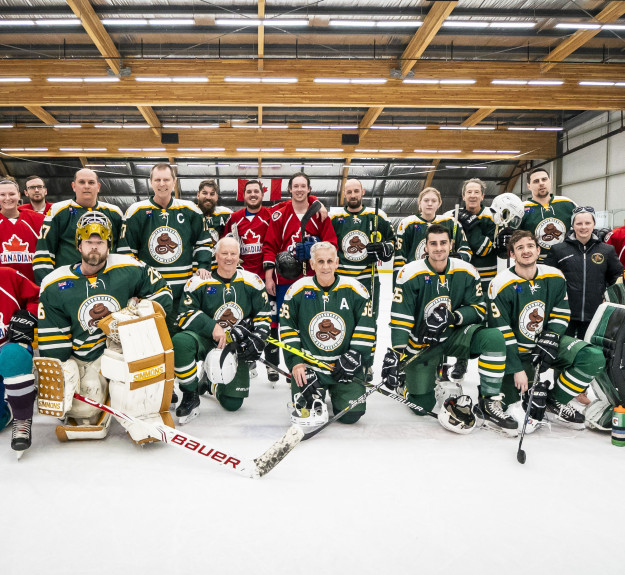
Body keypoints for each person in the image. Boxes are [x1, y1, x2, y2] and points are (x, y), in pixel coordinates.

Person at [37, 211, 174, 442]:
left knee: (134, 386)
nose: (94, 247)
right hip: (85, 357)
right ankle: (99, 395)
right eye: (89, 242)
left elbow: (164, 294)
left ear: (108, 245)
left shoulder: (129, 267)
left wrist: (131, 315)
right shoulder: (54, 283)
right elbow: (54, 341)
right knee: (85, 411)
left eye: (100, 242)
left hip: (122, 349)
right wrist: (64, 366)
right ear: (78, 245)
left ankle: (144, 409)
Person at [385, 224, 515, 435]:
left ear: (451, 245)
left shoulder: (466, 270)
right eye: (433, 243)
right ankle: (405, 383)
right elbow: (401, 317)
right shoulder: (409, 272)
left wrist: (453, 317)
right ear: (425, 246)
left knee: (493, 338)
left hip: (455, 335)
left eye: (443, 243)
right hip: (422, 342)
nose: (438, 248)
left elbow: (480, 309)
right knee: (422, 407)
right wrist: (398, 353)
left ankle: (489, 401)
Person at [488, 230, 605, 431]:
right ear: (512, 254)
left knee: (593, 357)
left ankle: (555, 399)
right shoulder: (499, 284)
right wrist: (516, 369)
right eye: (520, 248)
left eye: (530, 246)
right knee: (520, 411)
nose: (526, 251)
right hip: (516, 353)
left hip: (545, 344)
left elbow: (561, 311)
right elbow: (501, 331)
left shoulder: (554, 276)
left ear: (538, 249)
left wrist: (551, 337)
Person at [173, 237, 272, 423]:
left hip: (234, 345)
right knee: (180, 342)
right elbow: (184, 314)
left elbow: (264, 315)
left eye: (233, 254)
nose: (229, 258)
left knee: (232, 403)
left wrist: (258, 338)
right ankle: (190, 393)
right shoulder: (198, 282)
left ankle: (210, 384)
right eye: (224, 254)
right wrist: (212, 327)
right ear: (216, 256)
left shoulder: (253, 281)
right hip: (205, 340)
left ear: (239, 256)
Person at [280, 241, 375, 425]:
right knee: (307, 413)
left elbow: (367, 326)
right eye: (320, 261)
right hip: (310, 367)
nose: (326, 266)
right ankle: (319, 391)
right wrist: (297, 362)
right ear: (312, 264)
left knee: (351, 416)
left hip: (344, 367)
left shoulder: (356, 290)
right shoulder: (297, 290)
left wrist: (354, 355)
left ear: (337, 262)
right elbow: (287, 327)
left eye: (330, 261)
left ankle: (336, 393)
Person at [119, 163, 212, 329]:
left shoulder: (191, 210)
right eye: (158, 180)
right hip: (150, 292)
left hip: (184, 290)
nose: (162, 184)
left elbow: (203, 241)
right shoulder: (135, 211)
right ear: (151, 182)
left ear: (174, 181)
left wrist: (203, 266)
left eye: (166, 179)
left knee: (179, 336)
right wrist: (134, 287)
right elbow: (127, 253)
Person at [263, 172, 338, 324]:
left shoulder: (320, 215)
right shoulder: (280, 215)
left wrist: (317, 248)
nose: (299, 190)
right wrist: (269, 278)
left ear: (309, 189)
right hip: (285, 279)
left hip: (314, 279)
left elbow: (333, 245)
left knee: (312, 321)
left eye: (303, 186)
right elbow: (270, 247)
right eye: (296, 186)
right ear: (290, 189)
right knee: (286, 321)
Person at [32, 168, 123, 284]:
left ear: (98, 187)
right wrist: (48, 285)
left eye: (91, 182)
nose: (86, 186)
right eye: (81, 182)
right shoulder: (58, 211)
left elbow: (122, 251)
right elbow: (43, 253)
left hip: (107, 281)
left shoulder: (114, 212)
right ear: (73, 186)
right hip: (68, 282)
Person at [446, 178, 498, 382]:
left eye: (477, 192)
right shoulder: (452, 216)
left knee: (486, 320)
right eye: (469, 192)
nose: (473, 196)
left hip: (485, 278)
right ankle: (461, 361)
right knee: (461, 317)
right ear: (463, 195)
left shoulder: (492, 217)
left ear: (483, 196)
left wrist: (472, 228)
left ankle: (489, 361)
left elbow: (485, 249)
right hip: (460, 278)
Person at [545, 206, 623, 339]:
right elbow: (547, 279)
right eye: (579, 223)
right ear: (573, 225)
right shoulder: (558, 250)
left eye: (588, 223)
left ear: (594, 224)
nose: (583, 227)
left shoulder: (607, 250)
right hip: (565, 314)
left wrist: (609, 298)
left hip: (595, 314)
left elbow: (617, 278)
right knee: (565, 354)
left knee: (590, 353)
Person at [394, 186, 471, 284]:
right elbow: (400, 256)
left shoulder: (450, 222)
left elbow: (466, 250)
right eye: (426, 200)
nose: (429, 204)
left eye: (434, 201)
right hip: (416, 277)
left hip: (444, 278)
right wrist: (398, 281)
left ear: (439, 203)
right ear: (420, 202)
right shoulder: (407, 223)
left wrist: (459, 257)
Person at [0, 266, 39, 455]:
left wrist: (27, 315)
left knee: (12, 355)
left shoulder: (7, 276)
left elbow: (39, 296)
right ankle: (15, 399)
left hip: (9, 347)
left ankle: (22, 417)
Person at [519, 167, 576, 262]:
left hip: (566, 260)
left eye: (544, 179)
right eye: (536, 181)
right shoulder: (521, 208)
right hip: (534, 263)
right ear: (529, 186)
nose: (541, 183)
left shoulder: (567, 203)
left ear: (550, 181)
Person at [1, 177, 44, 282]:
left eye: (12, 194)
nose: (7, 198)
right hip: (4, 288)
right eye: (2, 195)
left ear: (19, 195)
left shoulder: (38, 220)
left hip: (34, 286)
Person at [196, 179, 232, 253]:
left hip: (218, 262)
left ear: (217, 197)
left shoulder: (226, 213)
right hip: (196, 262)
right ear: (198, 195)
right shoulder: (190, 212)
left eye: (212, 194)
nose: (208, 197)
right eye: (204, 193)